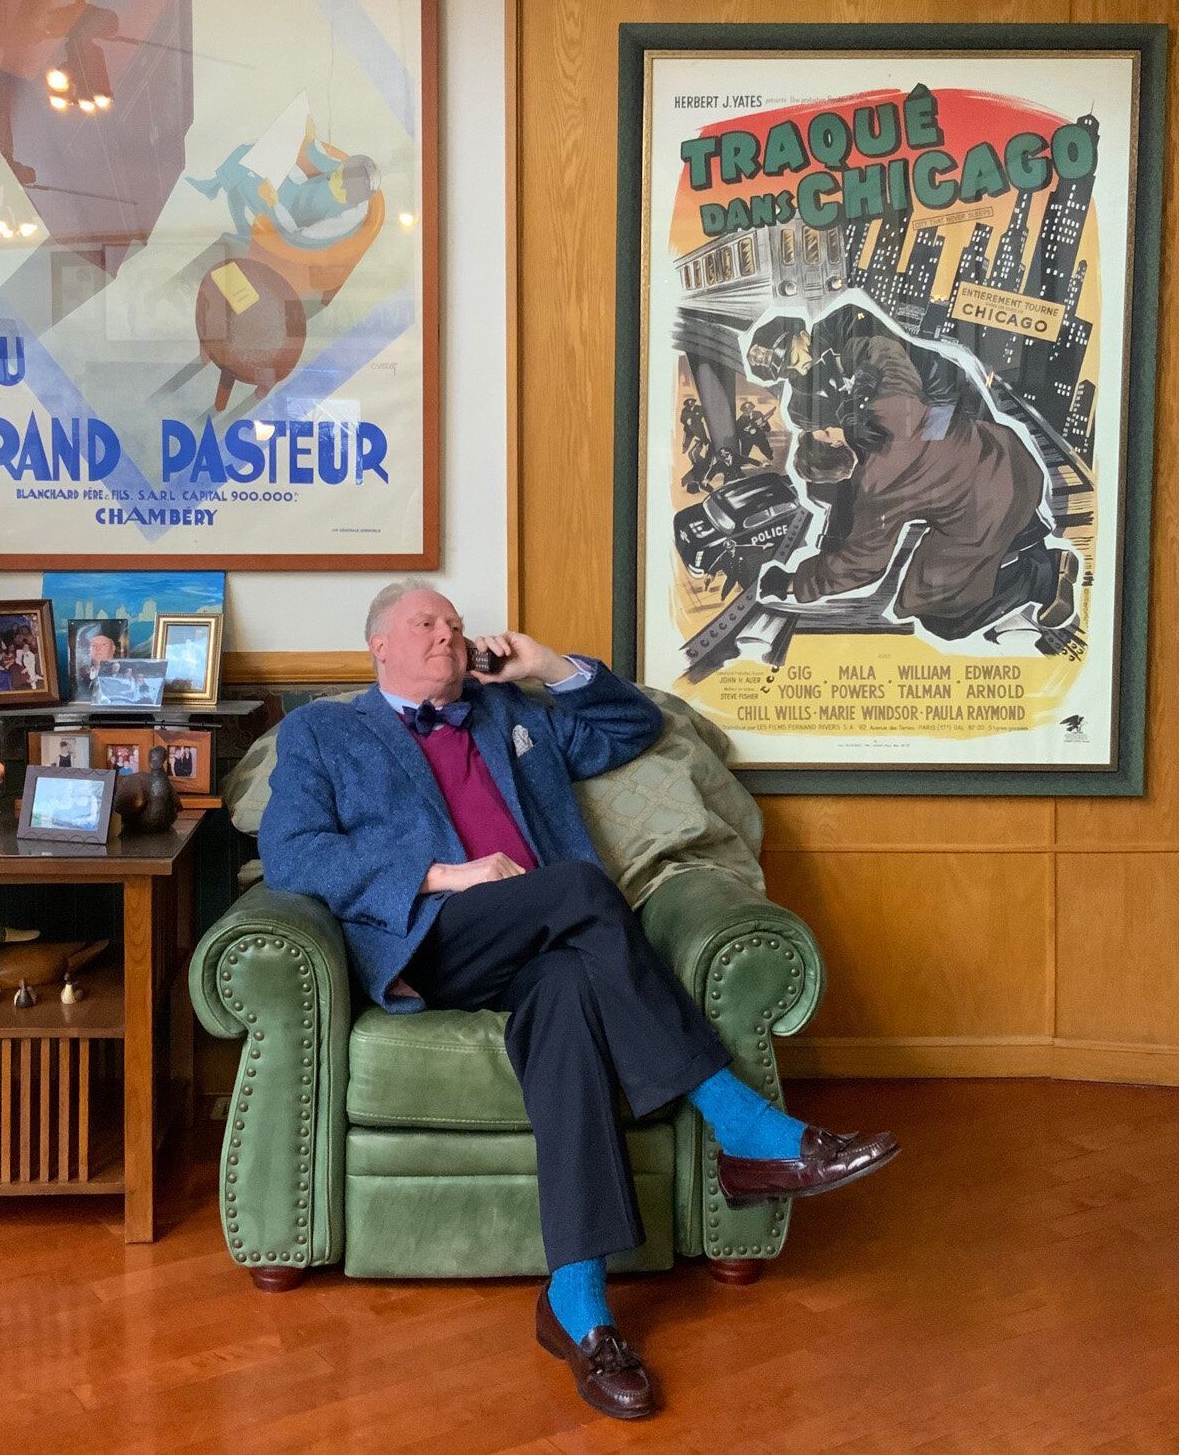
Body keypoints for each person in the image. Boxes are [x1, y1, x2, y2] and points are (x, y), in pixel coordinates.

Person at [259, 581, 899, 1420]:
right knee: (584, 891)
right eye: (426, 624)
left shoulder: (508, 709)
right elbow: (292, 855)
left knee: (566, 1001)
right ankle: (744, 1128)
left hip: (543, 945)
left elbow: (633, 728)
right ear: (378, 645)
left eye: (454, 623)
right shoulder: (324, 731)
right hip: (433, 936)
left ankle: (579, 1306)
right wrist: (447, 874)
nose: (448, 634)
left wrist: (549, 665)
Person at [748, 302, 1077, 638]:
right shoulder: (802, 405)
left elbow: (904, 361)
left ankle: (1029, 553)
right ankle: (1011, 537)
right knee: (944, 480)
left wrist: (868, 392)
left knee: (958, 473)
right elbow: (835, 465)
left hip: (942, 400)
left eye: (793, 354)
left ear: (800, 332)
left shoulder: (844, 323)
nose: (799, 366)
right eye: (788, 369)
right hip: (904, 430)